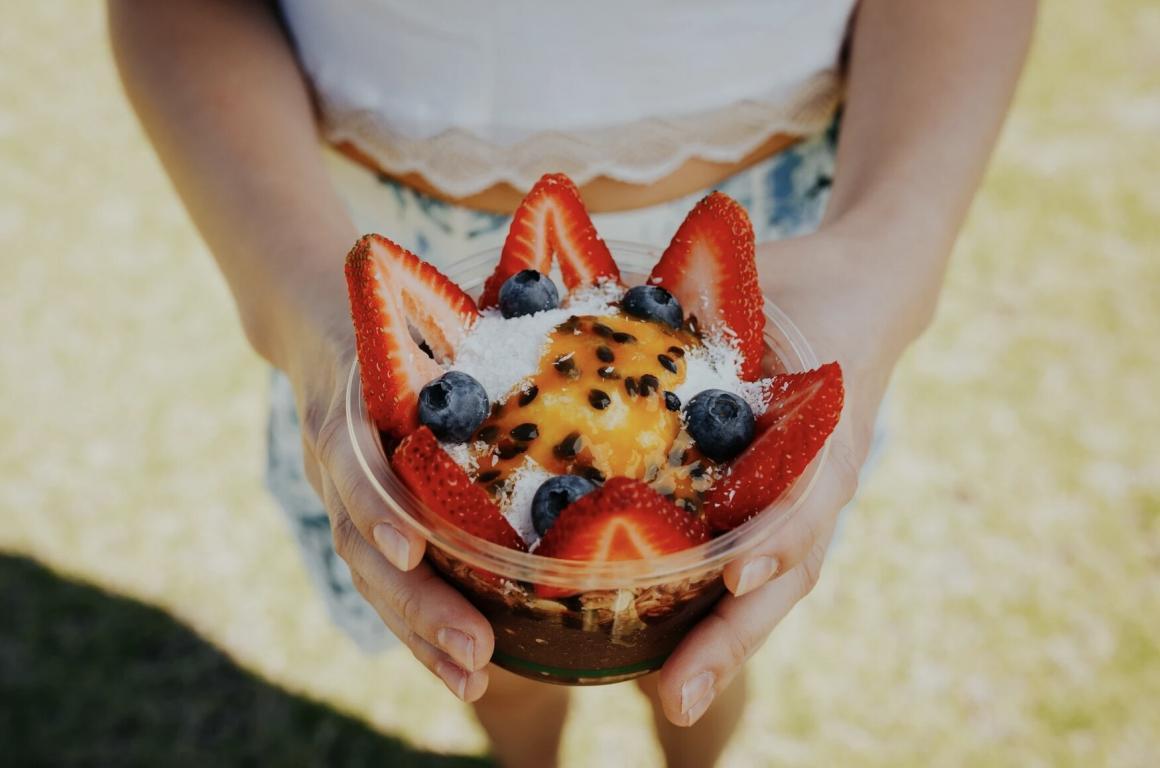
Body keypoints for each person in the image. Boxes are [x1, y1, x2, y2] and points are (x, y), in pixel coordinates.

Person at [109, 2, 1035, 766]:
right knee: (491, 660)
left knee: (705, 645)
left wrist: (886, 255)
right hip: (389, 280)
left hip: (771, 260)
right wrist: (299, 297)